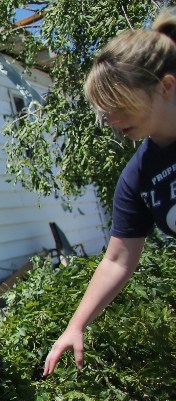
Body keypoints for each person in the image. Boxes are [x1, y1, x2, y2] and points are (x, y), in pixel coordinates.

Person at [43, 8, 176, 376]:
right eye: (106, 112)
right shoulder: (138, 178)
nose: (113, 122)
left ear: (166, 86)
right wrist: (76, 325)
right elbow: (118, 259)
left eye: (121, 107)